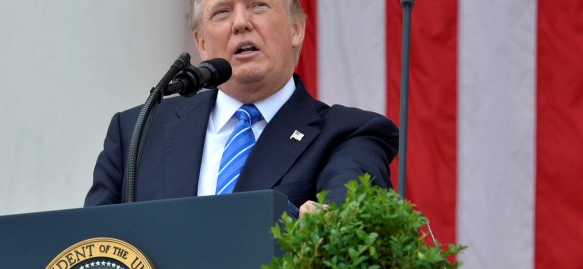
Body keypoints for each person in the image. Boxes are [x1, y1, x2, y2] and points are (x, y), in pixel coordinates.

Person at [85, 0, 398, 217]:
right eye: (221, 12)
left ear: (296, 29)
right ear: (202, 44)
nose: (240, 23)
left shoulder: (350, 134)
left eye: (258, 5)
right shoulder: (137, 132)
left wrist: (331, 221)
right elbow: (88, 249)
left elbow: (346, 216)